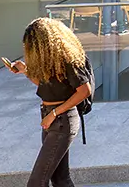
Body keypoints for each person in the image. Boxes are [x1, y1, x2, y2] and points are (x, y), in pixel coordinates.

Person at [8, 17, 93, 187]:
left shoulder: (69, 60)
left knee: (36, 182)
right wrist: (25, 70)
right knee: (60, 179)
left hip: (62, 120)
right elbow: (46, 86)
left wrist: (54, 113)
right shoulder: (51, 61)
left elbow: (85, 90)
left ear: (44, 42)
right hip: (51, 118)